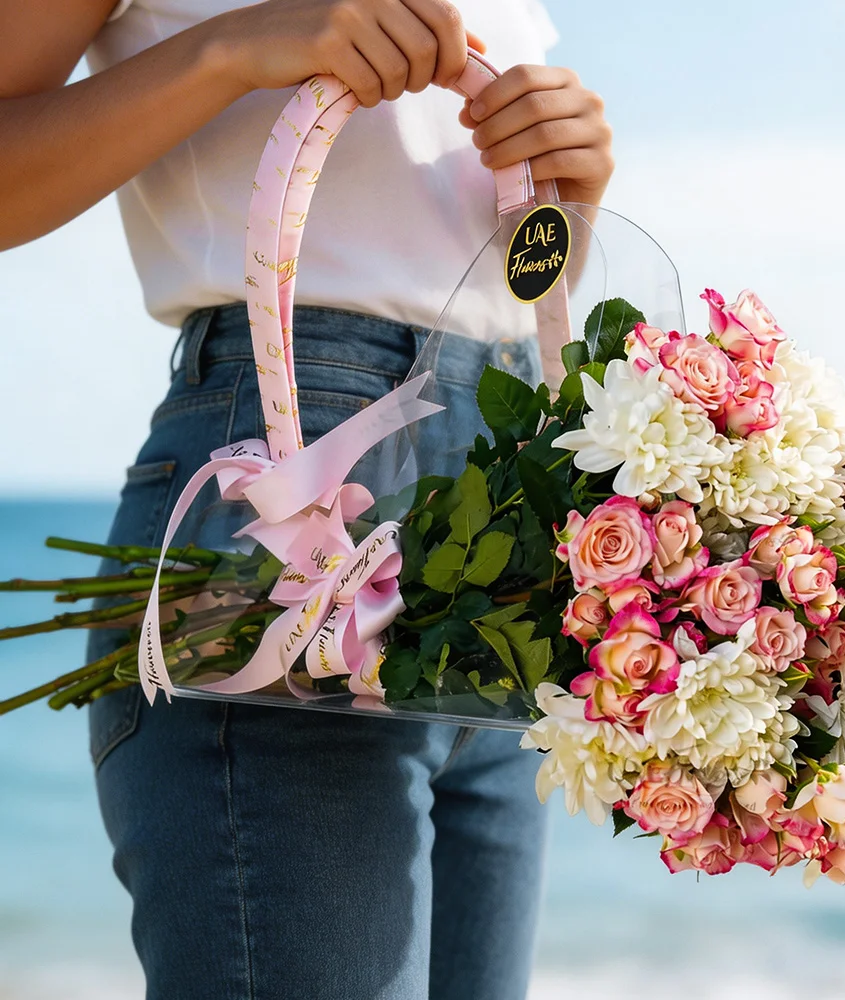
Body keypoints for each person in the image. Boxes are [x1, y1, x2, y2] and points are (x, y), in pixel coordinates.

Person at [0, 2, 614, 997]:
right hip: (291, 493)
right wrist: (231, 47)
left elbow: (471, 274)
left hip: (504, 529)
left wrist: (563, 194)